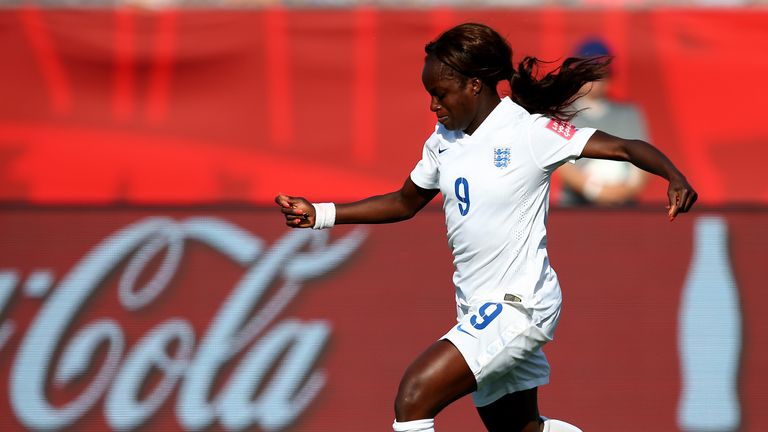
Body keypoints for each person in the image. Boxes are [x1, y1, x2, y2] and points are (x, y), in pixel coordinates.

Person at [276, 23, 697, 432]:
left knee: (414, 396)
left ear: (474, 85)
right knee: (520, 428)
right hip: (476, 308)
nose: (432, 106)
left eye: (439, 94)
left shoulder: (529, 133)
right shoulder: (442, 141)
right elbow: (404, 202)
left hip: (520, 305)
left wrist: (673, 175)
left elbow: (623, 145)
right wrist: (321, 214)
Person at [558, 39, 650, 207]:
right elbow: (559, 164)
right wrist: (595, 190)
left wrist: (623, 191)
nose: (595, 78)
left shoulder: (628, 114)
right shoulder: (561, 113)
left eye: (601, 71)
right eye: (589, 72)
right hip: (576, 208)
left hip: (623, 208)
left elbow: (643, 163)